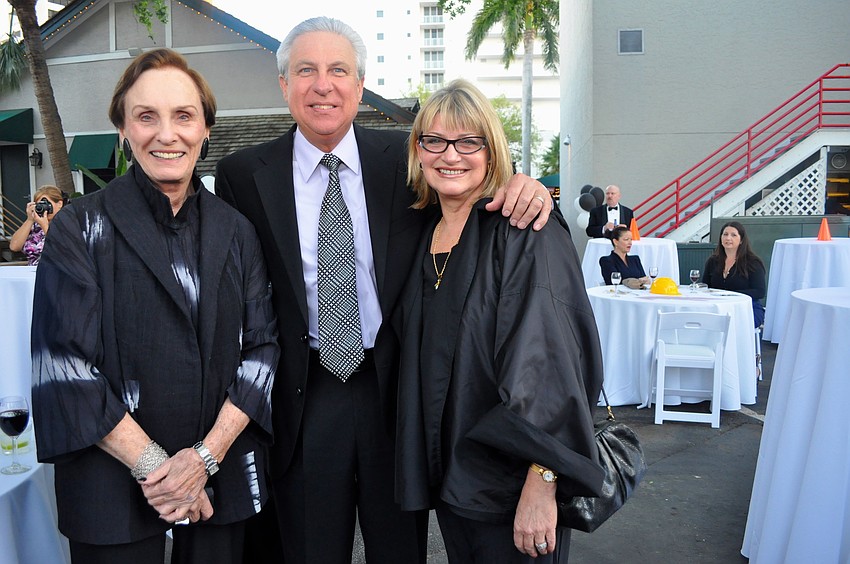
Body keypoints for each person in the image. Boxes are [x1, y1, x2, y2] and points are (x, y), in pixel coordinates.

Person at [215, 17, 554, 564]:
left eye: (338, 71)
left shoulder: (407, 159)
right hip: (304, 400)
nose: (323, 85)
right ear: (284, 85)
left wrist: (525, 184)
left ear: (359, 83)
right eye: (307, 70)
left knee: (399, 552)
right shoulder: (241, 174)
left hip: (396, 396)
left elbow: (468, 176)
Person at [30, 48, 279, 564]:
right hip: (110, 485)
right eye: (146, 117)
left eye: (183, 116)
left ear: (206, 129)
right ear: (123, 129)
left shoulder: (237, 231)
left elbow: (263, 350)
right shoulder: (79, 228)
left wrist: (203, 461)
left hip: (220, 479)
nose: (167, 134)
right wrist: (162, 473)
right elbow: (66, 366)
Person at [393, 79, 604, 564]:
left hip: (512, 486)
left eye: (469, 142)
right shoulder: (422, 232)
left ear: (492, 150)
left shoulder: (523, 231)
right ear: (418, 150)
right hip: (453, 478)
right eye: (435, 141)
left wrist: (543, 480)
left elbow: (553, 364)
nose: (451, 155)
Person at [701, 220, 767, 327]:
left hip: (748, 307)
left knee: (732, 324)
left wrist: (730, 295)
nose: (728, 238)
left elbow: (760, 291)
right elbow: (705, 286)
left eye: (733, 235)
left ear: (741, 240)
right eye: (725, 234)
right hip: (719, 307)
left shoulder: (753, 262)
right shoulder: (712, 261)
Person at [8, 185, 65, 265]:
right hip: (32, 272)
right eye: (40, 204)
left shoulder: (67, 223)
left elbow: (62, 250)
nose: (44, 208)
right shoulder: (35, 226)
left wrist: (45, 226)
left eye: (47, 204)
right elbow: (14, 247)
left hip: (55, 273)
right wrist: (30, 219)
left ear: (59, 204)